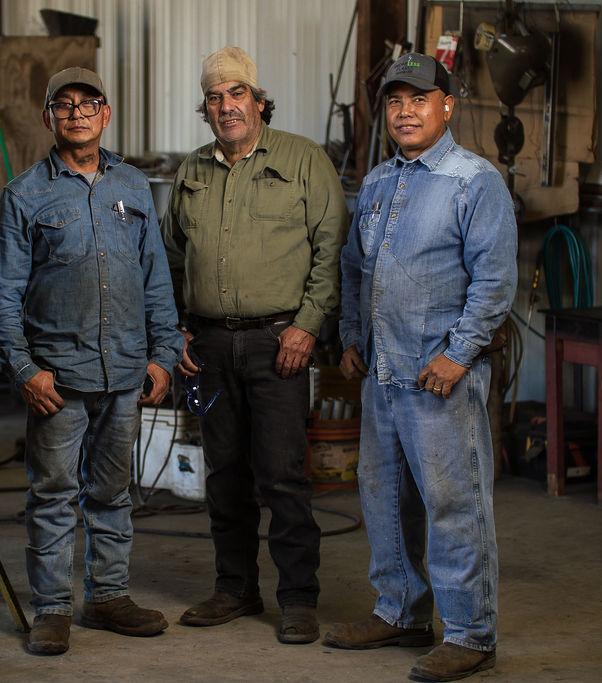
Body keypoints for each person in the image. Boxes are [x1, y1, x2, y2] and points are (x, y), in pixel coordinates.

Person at [324, 53, 517, 682]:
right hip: (382, 372)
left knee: (453, 504)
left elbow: (494, 281)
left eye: (419, 99)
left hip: (439, 379)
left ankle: (471, 633)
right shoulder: (379, 181)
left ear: (447, 106)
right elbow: (354, 267)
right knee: (383, 498)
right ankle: (401, 611)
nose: (405, 112)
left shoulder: (474, 181)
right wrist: (350, 335)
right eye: (394, 101)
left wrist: (458, 354)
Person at [0, 67, 184, 656]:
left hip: (124, 371)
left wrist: (163, 355)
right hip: (58, 377)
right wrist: (24, 369)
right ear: (48, 117)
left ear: (106, 114)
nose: (77, 113)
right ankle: (51, 608)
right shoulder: (24, 194)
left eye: (88, 103)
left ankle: (106, 596)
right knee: (52, 495)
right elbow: (3, 294)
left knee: (112, 492)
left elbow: (155, 279)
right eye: (64, 104)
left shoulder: (133, 185)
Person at [161, 46, 348, 645]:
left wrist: (308, 325)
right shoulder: (191, 171)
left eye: (237, 93)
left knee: (282, 475)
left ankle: (298, 598)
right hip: (210, 348)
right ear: (206, 109)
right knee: (224, 474)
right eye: (214, 98)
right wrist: (173, 327)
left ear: (259, 101)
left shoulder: (303, 159)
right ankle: (236, 588)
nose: (226, 106)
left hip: (279, 344)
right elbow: (168, 257)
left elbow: (331, 250)